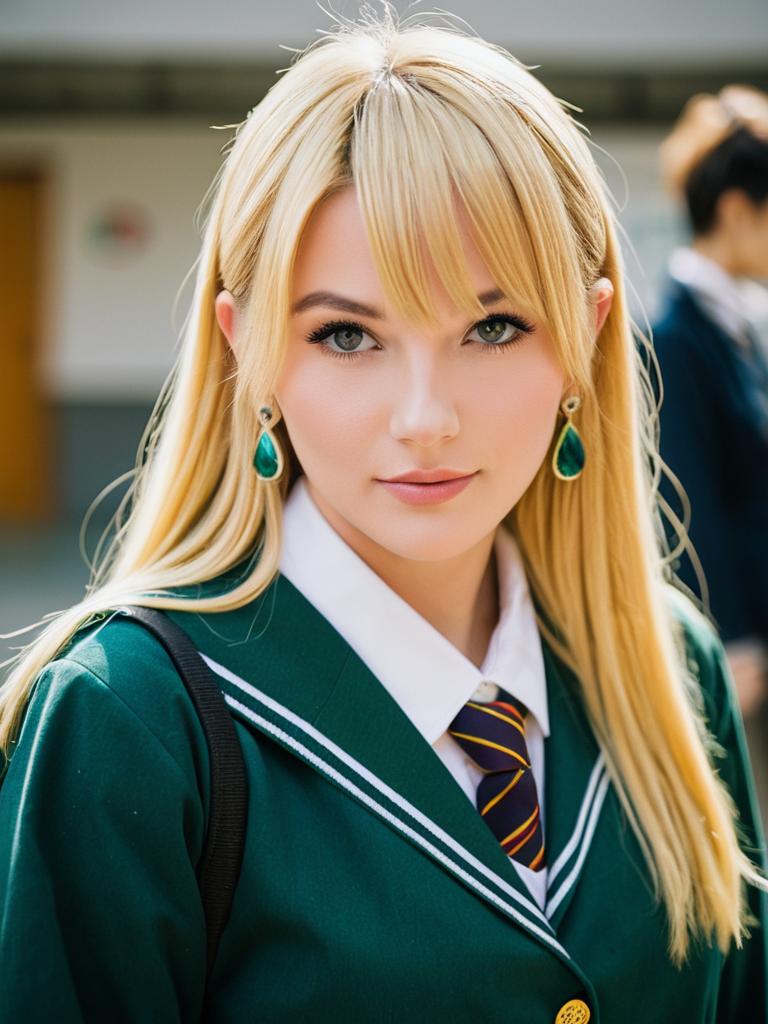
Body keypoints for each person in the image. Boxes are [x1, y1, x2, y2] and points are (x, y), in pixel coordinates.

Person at [0, 7, 766, 1021]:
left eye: (492, 326)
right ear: (252, 352)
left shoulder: (675, 675)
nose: (425, 419)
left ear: (586, 336)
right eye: (348, 336)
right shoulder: (127, 721)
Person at [652, 86, 768, 722]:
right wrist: (733, 643)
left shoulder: (738, 328)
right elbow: (689, 499)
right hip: (734, 651)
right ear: (737, 210)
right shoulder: (674, 338)